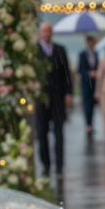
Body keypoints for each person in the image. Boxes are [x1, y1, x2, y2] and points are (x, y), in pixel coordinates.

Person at [35, 22, 72, 182]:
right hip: (40, 98)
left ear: (52, 33)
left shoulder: (60, 50)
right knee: (41, 134)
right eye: (44, 31)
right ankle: (46, 166)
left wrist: (69, 94)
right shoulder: (33, 51)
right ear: (39, 33)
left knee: (59, 134)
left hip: (57, 97)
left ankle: (59, 168)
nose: (47, 33)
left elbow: (66, 74)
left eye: (49, 31)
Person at [78, 35, 99, 135]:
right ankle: (88, 125)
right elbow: (80, 70)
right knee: (87, 105)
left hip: (95, 84)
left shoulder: (96, 54)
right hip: (86, 84)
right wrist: (89, 73)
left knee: (93, 105)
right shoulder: (82, 54)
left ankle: (92, 124)